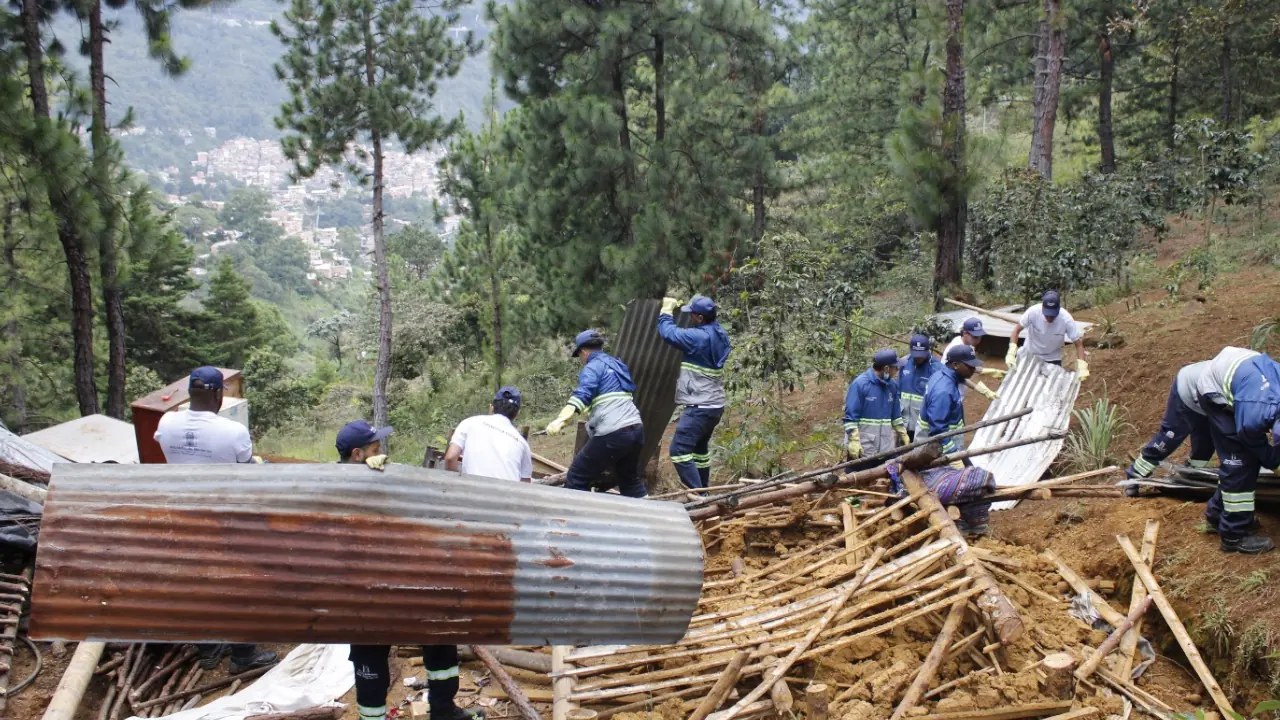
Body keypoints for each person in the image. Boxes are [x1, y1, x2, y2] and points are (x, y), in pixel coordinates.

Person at [338, 420, 483, 720]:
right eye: (375, 449)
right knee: (369, 656)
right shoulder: (334, 485)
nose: (382, 454)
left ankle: (443, 709)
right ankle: (373, 716)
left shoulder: (382, 477)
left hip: (403, 578)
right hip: (364, 591)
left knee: (440, 637)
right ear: (356, 454)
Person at [153, 366, 278, 673]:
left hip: (183, 518)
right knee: (242, 583)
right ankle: (243, 654)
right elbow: (246, 468)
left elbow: (162, 443)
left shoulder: (167, 422)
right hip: (226, 521)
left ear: (189, 394)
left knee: (198, 581)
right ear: (220, 395)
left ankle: (209, 648)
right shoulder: (232, 431)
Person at [1194, 347, 1280, 553]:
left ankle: (1216, 515)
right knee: (1241, 462)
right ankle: (1234, 536)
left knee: (1247, 460)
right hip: (1213, 390)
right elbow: (1252, 440)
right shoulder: (1254, 416)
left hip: (1240, 373)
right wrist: (1275, 463)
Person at [545, 330, 647, 498]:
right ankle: (651, 515)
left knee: (576, 477)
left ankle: (579, 520)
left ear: (583, 352)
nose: (581, 360)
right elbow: (612, 396)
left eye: (579, 356)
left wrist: (560, 420)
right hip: (636, 430)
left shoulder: (592, 367)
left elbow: (583, 394)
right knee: (629, 481)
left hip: (615, 432)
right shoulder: (618, 365)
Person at [657, 295, 732, 489]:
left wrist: (666, 310)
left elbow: (668, 333)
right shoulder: (719, 333)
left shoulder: (699, 338)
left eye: (692, 315)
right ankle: (704, 491)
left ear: (699, 317)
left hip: (701, 405)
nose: (689, 317)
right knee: (699, 451)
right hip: (714, 405)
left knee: (679, 450)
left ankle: (698, 496)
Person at [1123, 360, 1216, 497]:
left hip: (1211, 399)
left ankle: (1192, 475)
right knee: (1169, 438)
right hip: (1188, 388)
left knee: (1206, 443)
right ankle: (1135, 476)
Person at [444, 387, 533, 483]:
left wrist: (456, 483)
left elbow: (450, 458)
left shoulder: (469, 423)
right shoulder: (522, 443)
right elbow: (525, 483)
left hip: (471, 491)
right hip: (506, 496)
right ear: (517, 414)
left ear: (491, 408)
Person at [843, 349, 907, 469]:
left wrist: (902, 432)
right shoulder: (860, 385)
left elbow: (896, 415)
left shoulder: (892, 386)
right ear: (887, 368)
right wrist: (854, 441)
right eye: (895, 368)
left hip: (885, 448)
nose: (897, 371)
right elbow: (850, 418)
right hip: (864, 449)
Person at [919, 345, 983, 462]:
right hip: (938, 448)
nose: (973, 369)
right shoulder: (944, 391)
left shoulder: (944, 375)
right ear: (955, 365)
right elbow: (938, 430)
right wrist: (954, 456)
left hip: (949, 441)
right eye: (970, 366)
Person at [1006, 290, 1089, 379]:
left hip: (1053, 358)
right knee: (1024, 382)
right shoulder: (1032, 312)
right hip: (1031, 354)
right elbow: (1016, 331)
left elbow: (1079, 345)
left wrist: (1082, 366)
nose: (1049, 318)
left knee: (1050, 386)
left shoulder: (1066, 319)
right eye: (1047, 315)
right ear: (1042, 307)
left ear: (1058, 309)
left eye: (1053, 315)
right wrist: (1011, 351)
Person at [941, 319, 1005, 399]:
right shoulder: (955, 349)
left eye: (980, 336)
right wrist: (983, 390)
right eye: (975, 337)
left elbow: (969, 367)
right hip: (950, 391)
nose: (978, 340)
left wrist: (991, 371)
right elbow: (958, 376)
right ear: (965, 333)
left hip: (959, 390)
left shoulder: (968, 345)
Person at [899, 335, 942, 442]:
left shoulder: (937, 369)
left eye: (921, 355)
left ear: (928, 351)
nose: (918, 358)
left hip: (922, 424)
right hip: (903, 422)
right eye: (915, 355)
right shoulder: (904, 363)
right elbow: (898, 391)